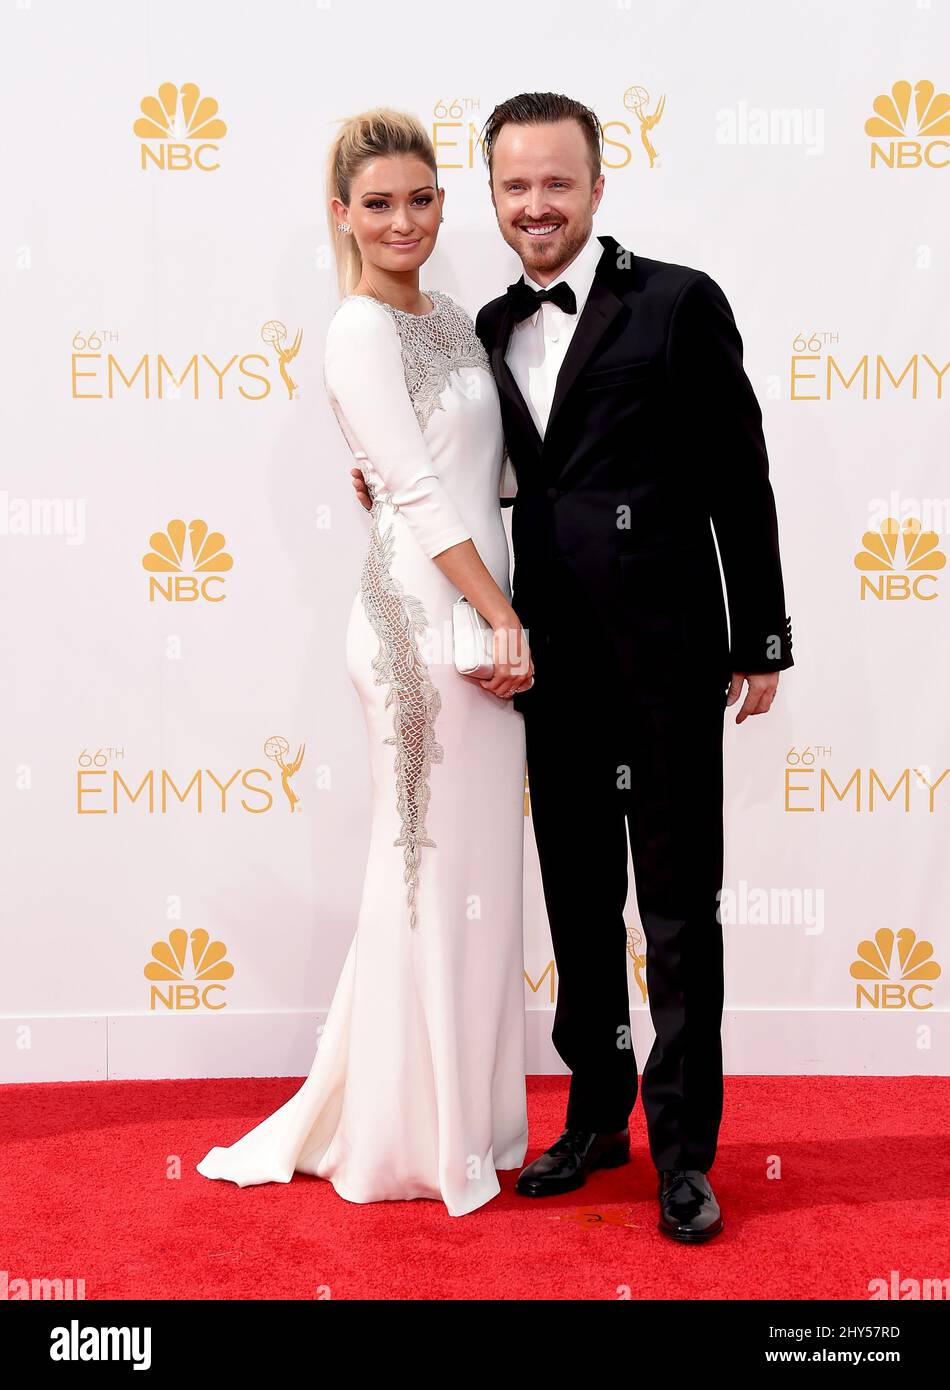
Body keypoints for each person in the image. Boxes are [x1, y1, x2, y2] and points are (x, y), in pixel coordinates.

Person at [352, 92, 794, 1242]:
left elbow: (737, 476)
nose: (534, 205)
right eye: (513, 187)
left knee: (678, 910)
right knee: (578, 903)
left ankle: (684, 1153)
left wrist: (762, 635)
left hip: (665, 649)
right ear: (489, 198)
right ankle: (596, 1113)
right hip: (542, 661)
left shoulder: (677, 302)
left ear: (597, 187)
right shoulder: (484, 326)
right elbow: (456, 458)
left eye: (556, 183)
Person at [196, 108, 534, 1218]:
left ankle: (466, 1121)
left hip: (473, 608)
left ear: (443, 203)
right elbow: (424, 492)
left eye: (421, 198)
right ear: (340, 214)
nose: (403, 220)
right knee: (423, 867)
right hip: (420, 630)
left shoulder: (448, 317)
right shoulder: (354, 330)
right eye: (377, 203)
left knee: (471, 875)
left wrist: (482, 586)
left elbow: (464, 467)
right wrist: (498, 615)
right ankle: (397, 1135)